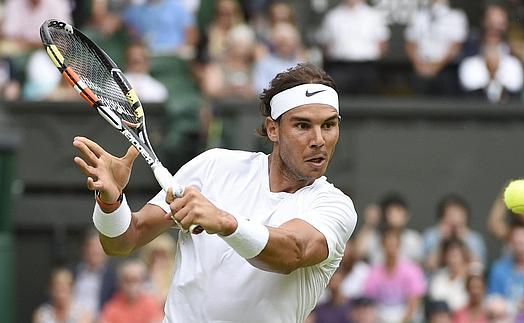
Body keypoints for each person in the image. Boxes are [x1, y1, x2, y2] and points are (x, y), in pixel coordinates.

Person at [72, 63, 357, 322]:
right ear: (273, 129)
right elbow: (123, 241)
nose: (319, 140)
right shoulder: (214, 166)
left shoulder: (334, 206)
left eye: (329, 125)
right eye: (303, 125)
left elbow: (293, 252)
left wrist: (224, 221)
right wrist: (111, 202)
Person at [317, 0, 389, 94]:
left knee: (370, 102)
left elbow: (382, 44)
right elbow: (326, 43)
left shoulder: (374, 15)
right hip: (340, 68)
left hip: (367, 68)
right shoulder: (333, 16)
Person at [404, 0, 468, 96]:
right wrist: (418, 65)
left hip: (446, 70)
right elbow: (410, 43)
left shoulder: (456, 16)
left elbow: (456, 46)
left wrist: (436, 67)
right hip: (420, 70)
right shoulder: (418, 15)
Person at [363, 229, 426, 323]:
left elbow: (414, 303)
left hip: (405, 317)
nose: (390, 249)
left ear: (399, 246)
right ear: (382, 246)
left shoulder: (412, 270)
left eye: (393, 245)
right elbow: (370, 302)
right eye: (388, 245)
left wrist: (403, 321)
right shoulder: (374, 272)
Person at [422, 194, 486, 272]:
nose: (455, 220)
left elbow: (478, 268)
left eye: (459, 214)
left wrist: (464, 240)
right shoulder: (431, 235)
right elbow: (429, 266)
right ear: (442, 217)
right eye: (451, 214)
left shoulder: (474, 239)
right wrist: (442, 240)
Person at [356, 193, 423, 265]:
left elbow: (418, 267)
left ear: (407, 215)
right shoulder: (375, 236)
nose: (394, 214)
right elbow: (357, 253)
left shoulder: (413, 239)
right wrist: (369, 223)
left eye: (398, 210)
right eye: (390, 211)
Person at [72, 229, 116, 320]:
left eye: (99, 247)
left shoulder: (113, 278)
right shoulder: (73, 272)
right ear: (84, 249)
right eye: (92, 247)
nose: (96, 251)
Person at [428, 238, 471, 312]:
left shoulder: (471, 277)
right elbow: (436, 299)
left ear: (463, 256)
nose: (454, 259)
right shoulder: (438, 277)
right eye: (451, 255)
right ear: (445, 257)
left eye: (457, 255)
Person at [138, 233, 176, 306]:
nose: (157, 259)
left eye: (162, 255)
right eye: (154, 255)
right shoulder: (141, 275)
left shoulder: (176, 274)